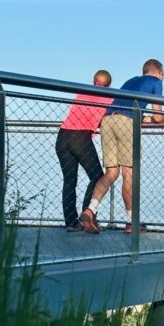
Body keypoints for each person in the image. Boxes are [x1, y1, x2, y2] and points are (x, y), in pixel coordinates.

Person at [79, 59, 164, 234]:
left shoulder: (130, 81)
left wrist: (146, 119)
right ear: (158, 72)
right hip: (126, 123)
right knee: (129, 173)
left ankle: (90, 210)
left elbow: (129, 112)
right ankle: (131, 222)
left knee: (111, 173)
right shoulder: (156, 82)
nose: (163, 78)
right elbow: (157, 116)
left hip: (108, 120)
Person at [55, 69, 113, 232]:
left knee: (69, 180)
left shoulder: (82, 92)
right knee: (97, 177)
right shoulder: (110, 97)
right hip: (80, 138)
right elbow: (106, 118)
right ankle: (88, 215)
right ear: (109, 85)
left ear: (93, 81)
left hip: (62, 136)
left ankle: (71, 223)